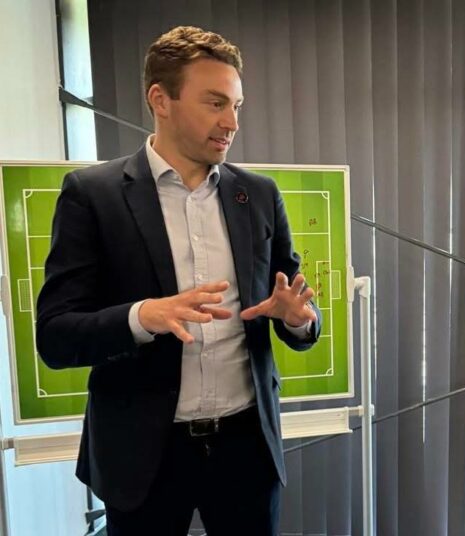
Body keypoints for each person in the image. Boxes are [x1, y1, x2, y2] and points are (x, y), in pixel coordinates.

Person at [36, 26, 321, 535]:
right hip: (142, 454)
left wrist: (299, 320)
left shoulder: (258, 195)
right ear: (160, 100)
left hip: (245, 449)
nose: (232, 122)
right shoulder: (92, 195)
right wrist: (143, 316)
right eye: (215, 103)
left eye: (236, 105)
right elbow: (55, 337)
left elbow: (294, 302)